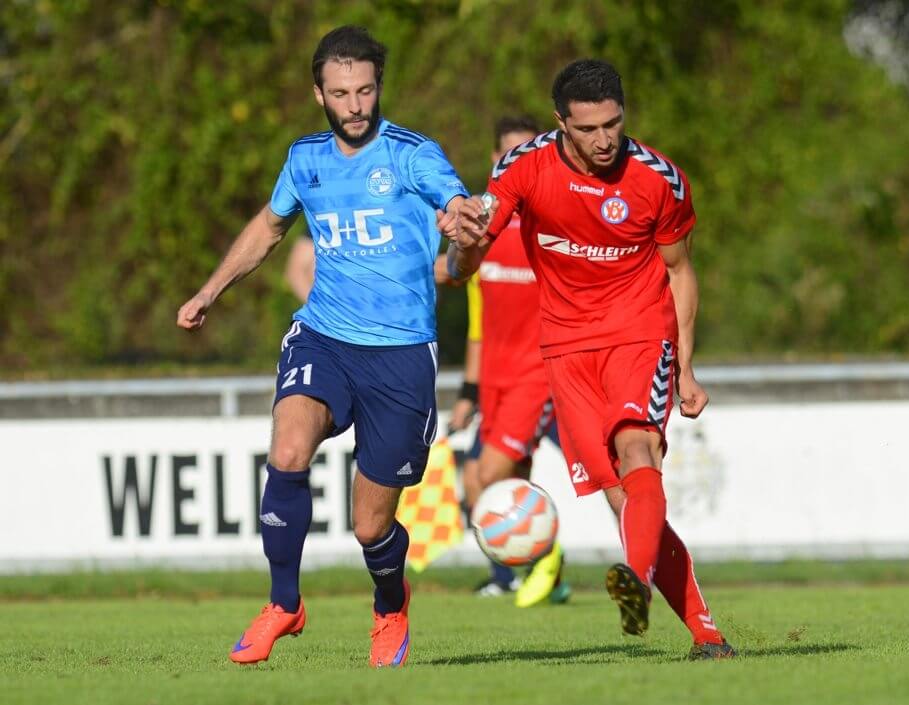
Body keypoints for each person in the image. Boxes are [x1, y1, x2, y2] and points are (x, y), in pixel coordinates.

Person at [176, 25, 468, 668]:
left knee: (371, 526)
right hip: (326, 335)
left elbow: (457, 209)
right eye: (341, 93)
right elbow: (270, 225)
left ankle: (390, 607)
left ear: (378, 88)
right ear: (320, 94)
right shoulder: (304, 159)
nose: (356, 105)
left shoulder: (413, 155)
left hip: (401, 353)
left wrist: (459, 221)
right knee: (287, 450)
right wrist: (209, 290)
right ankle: (284, 603)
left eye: (365, 90)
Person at [442, 59, 735, 659]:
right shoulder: (523, 168)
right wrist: (462, 243)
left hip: (639, 333)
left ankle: (636, 579)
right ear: (561, 123)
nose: (604, 140)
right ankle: (707, 635)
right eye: (589, 129)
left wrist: (685, 367)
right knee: (626, 501)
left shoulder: (659, 179)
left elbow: (680, 271)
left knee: (637, 449)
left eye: (614, 124)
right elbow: (472, 253)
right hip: (566, 349)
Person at [446, 116, 571, 607]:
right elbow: (478, 323)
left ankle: (548, 555)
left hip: (536, 375)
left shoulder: (555, 223)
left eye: (527, 152)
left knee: (496, 474)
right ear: (495, 160)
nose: (516, 162)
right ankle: (535, 573)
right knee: (478, 481)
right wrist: (468, 392)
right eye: (508, 154)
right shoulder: (482, 227)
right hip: (495, 378)